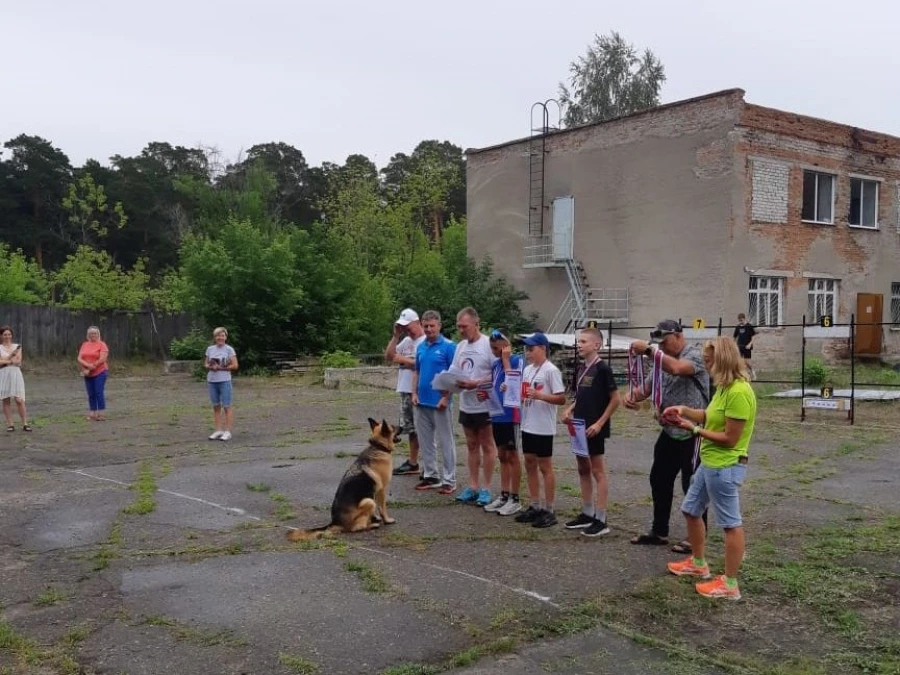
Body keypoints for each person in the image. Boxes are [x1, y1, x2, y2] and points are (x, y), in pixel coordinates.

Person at [664, 336, 757, 599]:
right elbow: (710, 415)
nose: (705, 366)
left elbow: (730, 438)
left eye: (708, 361)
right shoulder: (725, 388)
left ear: (722, 360)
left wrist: (692, 429)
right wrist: (685, 410)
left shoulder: (739, 392)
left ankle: (729, 584)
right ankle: (698, 563)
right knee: (691, 509)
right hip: (710, 463)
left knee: (730, 524)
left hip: (725, 466)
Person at [623, 320, 710, 551]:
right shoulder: (660, 359)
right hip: (670, 431)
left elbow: (677, 368)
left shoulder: (694, 355)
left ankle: (697, 537)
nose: (660, 348)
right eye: (657, 344)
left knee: (692, 483)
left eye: (665, 342)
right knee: (659, 479)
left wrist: (650, 351)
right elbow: (646, 388)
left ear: (679, 336)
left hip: (693, 431)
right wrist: (632, 396)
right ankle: (659, 531)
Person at [561, 327, 620, 537]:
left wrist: (600, 423)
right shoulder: (580, 368)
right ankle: (587, 512)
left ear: (597, 345)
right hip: (579, 425)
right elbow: (582, 396)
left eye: (584, 341)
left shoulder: (603, 369)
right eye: (579, 341)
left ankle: (601, 518)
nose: (579, 344)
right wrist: (570, 409)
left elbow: (615, 399)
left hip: (594, 428)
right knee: (582, 467)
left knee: (598, 471)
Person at [513, 332, 567, 528]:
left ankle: (549, 509)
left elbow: (561, 398)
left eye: (532, 348)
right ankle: (535, 505)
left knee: (545, 466)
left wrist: (540, 396)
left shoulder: (551, 370)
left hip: (543, 426)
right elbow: (523, 392)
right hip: (528, 423)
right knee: (529, 462)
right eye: (527, 349)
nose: (528, 352)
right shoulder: (527, 370)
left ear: (543, 349)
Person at [452, 307, 498, 507]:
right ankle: (472, 486)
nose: (461, 330)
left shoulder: (488, 345)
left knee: (487, 445)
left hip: (485, 404)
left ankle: (486, 488)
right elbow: (455, 370)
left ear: (476, 324)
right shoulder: (460, 346)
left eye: (464, 326)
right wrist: (452, 382)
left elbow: (499, 373)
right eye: (458, 327)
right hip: (466, 403)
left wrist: (477, 383)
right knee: (471, 445)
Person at [411, 310, 457, 495]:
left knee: (446, 441)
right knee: (426, 441)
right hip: (421, 401)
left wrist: (447, 397)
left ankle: (450, 479)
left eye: (432, 326)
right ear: (422, 325)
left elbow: (454, 375)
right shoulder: (421, 346)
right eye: (426, 326)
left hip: (440, 402)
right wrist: (413, 393)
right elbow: (416, 371)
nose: (429, 329)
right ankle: (431, 474)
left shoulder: (448, 346)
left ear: (439, 326)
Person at [478, 330, 524, 516]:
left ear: (506, 346)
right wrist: (484, 394)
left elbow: (513, 384)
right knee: (502, 456)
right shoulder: (495, 365)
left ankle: (515, 497)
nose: (495, 351)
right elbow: (495, 386)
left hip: (510, 415)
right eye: (492, 348)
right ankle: (504, 495)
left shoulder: (515, 361)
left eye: (497, 348)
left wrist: (506, 359)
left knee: (512, 455)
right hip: (496, 415)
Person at [384, 308, 426, 476]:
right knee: (411, 429)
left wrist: (401, 360)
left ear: (417, 323)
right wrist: (396, 336)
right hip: (405, 388)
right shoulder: (407, 341)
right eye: (403, 326)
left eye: (408, 326)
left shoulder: (425, 341)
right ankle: (413, 462)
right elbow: (389, 356)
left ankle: (429, 466)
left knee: (423, 428)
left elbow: (422, 364)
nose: (406, 329)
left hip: (418, 390)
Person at [205, 327, 239, 441]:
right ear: (214, 337)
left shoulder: (229, 349)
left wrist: (221, 368)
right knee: (215, 406)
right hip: (212, 381)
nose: (220, 338)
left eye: (222, 335)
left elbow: (235, 365)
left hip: (224, 380)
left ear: (225, 337)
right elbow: (205, 364)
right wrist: (211, 366)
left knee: (227, 406)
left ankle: (227, 431)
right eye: (218, 336)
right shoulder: (210, 349)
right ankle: (218, 430)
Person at [0, 326, 31, 432]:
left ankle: (25, 423)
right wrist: (9, 359)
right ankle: (10, 424)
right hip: (4, 374)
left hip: (15, 373)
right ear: (1, 336)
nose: (7, 336)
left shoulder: (17, 346)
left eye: (9, 334)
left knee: (19, 399)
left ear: (11, 335)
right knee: (6, 399)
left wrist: (5, 361)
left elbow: (18, 361)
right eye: (5, 334)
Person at [77, 326, 110, 421]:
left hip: (100, 371)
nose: (93, 335)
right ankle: (93, 412)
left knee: (98, 392)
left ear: (98, 334)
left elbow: (103, 358)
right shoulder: (84, 344)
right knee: (91, 393)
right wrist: (86, 367)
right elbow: (79, 358)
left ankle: (101, 413)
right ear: (88, 335)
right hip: (87, 372)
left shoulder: (102, 344)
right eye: (91, 333)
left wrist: (92, 366)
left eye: (95, 333)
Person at [733, 313, 756, 380]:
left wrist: (750, 344)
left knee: (746, 361)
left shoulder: (749, 326)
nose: (741, 322)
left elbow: (753, 337)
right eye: (739, 321)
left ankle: (752, 371)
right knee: (740, 361)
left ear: (744, 318)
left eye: (741, 320)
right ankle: (743, 375)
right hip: (740, 346)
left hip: (747, 347)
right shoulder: (738, 327)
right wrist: (734, 345)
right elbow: (735, 337)